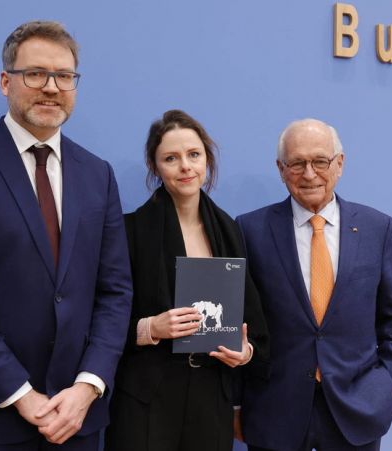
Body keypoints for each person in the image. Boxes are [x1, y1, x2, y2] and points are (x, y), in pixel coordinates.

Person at [0, 21, 133, 450]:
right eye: (36, 74)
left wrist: (87, 386)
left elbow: (115, 292)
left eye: (64, 76)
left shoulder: (98, 174)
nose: (51, 87)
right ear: (6, 81)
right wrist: (20, 394)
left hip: (77, 420)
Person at [235, 119, 392, 451]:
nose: (309, 174)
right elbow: (241, 322)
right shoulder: (249, 230)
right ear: (281, 169)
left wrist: (391, 387)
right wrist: (235, 403)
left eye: (320, 161)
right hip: (275, 412)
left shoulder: (377, 228)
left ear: (339, 164)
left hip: (357, 410)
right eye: (297, 163)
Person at [104, 109, 269, 451]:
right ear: (155, 167)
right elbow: (102, 319)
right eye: (171, 158)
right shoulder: (129, 231)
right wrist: (150, 328)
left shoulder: (229, 230)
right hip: (146, 399)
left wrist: (245, 352)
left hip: (211, 398)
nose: (185, 167)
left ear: (207, 159)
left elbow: (253, 322)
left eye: (194, 155)